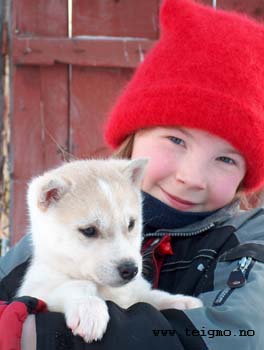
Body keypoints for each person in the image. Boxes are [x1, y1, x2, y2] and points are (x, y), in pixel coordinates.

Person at [1, 0, 264, 349]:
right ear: (133, 136)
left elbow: (241, 335)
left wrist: (45, 336)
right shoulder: (52, 234)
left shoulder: (250, 240)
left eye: (226, 159)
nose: (192, 177)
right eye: (175, 139)